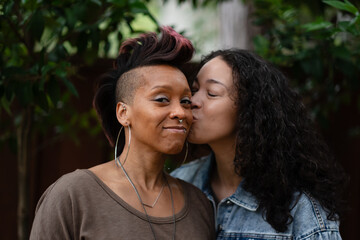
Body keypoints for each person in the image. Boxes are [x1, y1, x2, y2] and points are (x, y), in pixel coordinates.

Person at [30, 27, 215, 240]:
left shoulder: (200, 205)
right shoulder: (73, 195)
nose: (180, 112)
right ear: (123, 113)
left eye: (185, 101)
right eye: (162, 99)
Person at [171, 49, 347, 239]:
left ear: (250, 110)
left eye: (212, 93)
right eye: (195, 90)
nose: (192, 102)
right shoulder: (179, 183)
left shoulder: (300, 206)